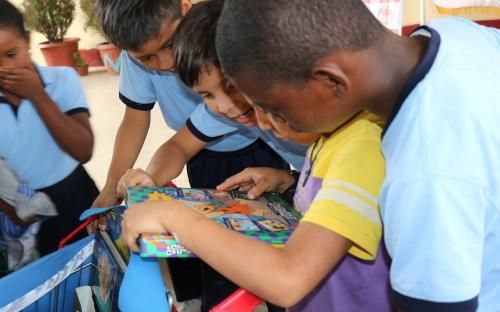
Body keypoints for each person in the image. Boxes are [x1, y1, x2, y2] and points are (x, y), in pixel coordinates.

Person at [214, 1, 500, 311]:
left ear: (331, 80)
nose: (266, 120)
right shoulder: (454, 36)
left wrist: (173, 217)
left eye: (274, 107)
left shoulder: (423, 173)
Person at [94, 0, 294, 306]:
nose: (164, 63)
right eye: (206, 96)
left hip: (268, 159)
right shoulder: (219, 111)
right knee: (221, 268)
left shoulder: (281, 104)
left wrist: (294, 179)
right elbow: (178, 144)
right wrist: (147, 180)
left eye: (229, 86)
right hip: (219, 164)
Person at [121, 101, 392, 311]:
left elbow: (288, 279)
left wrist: (175, 217)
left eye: (264, 102)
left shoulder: (363, 148)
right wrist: (289, 182)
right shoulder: (327, 138)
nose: (260, 122)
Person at [0, 0, 98, 255]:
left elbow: (83, 150)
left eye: (12, 54)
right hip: (21, 210)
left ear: (28, 41)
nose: (4, 68)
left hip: (76, 195)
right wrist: (11, 209)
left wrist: (38, 96)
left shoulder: (62, 79)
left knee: (94, 268)